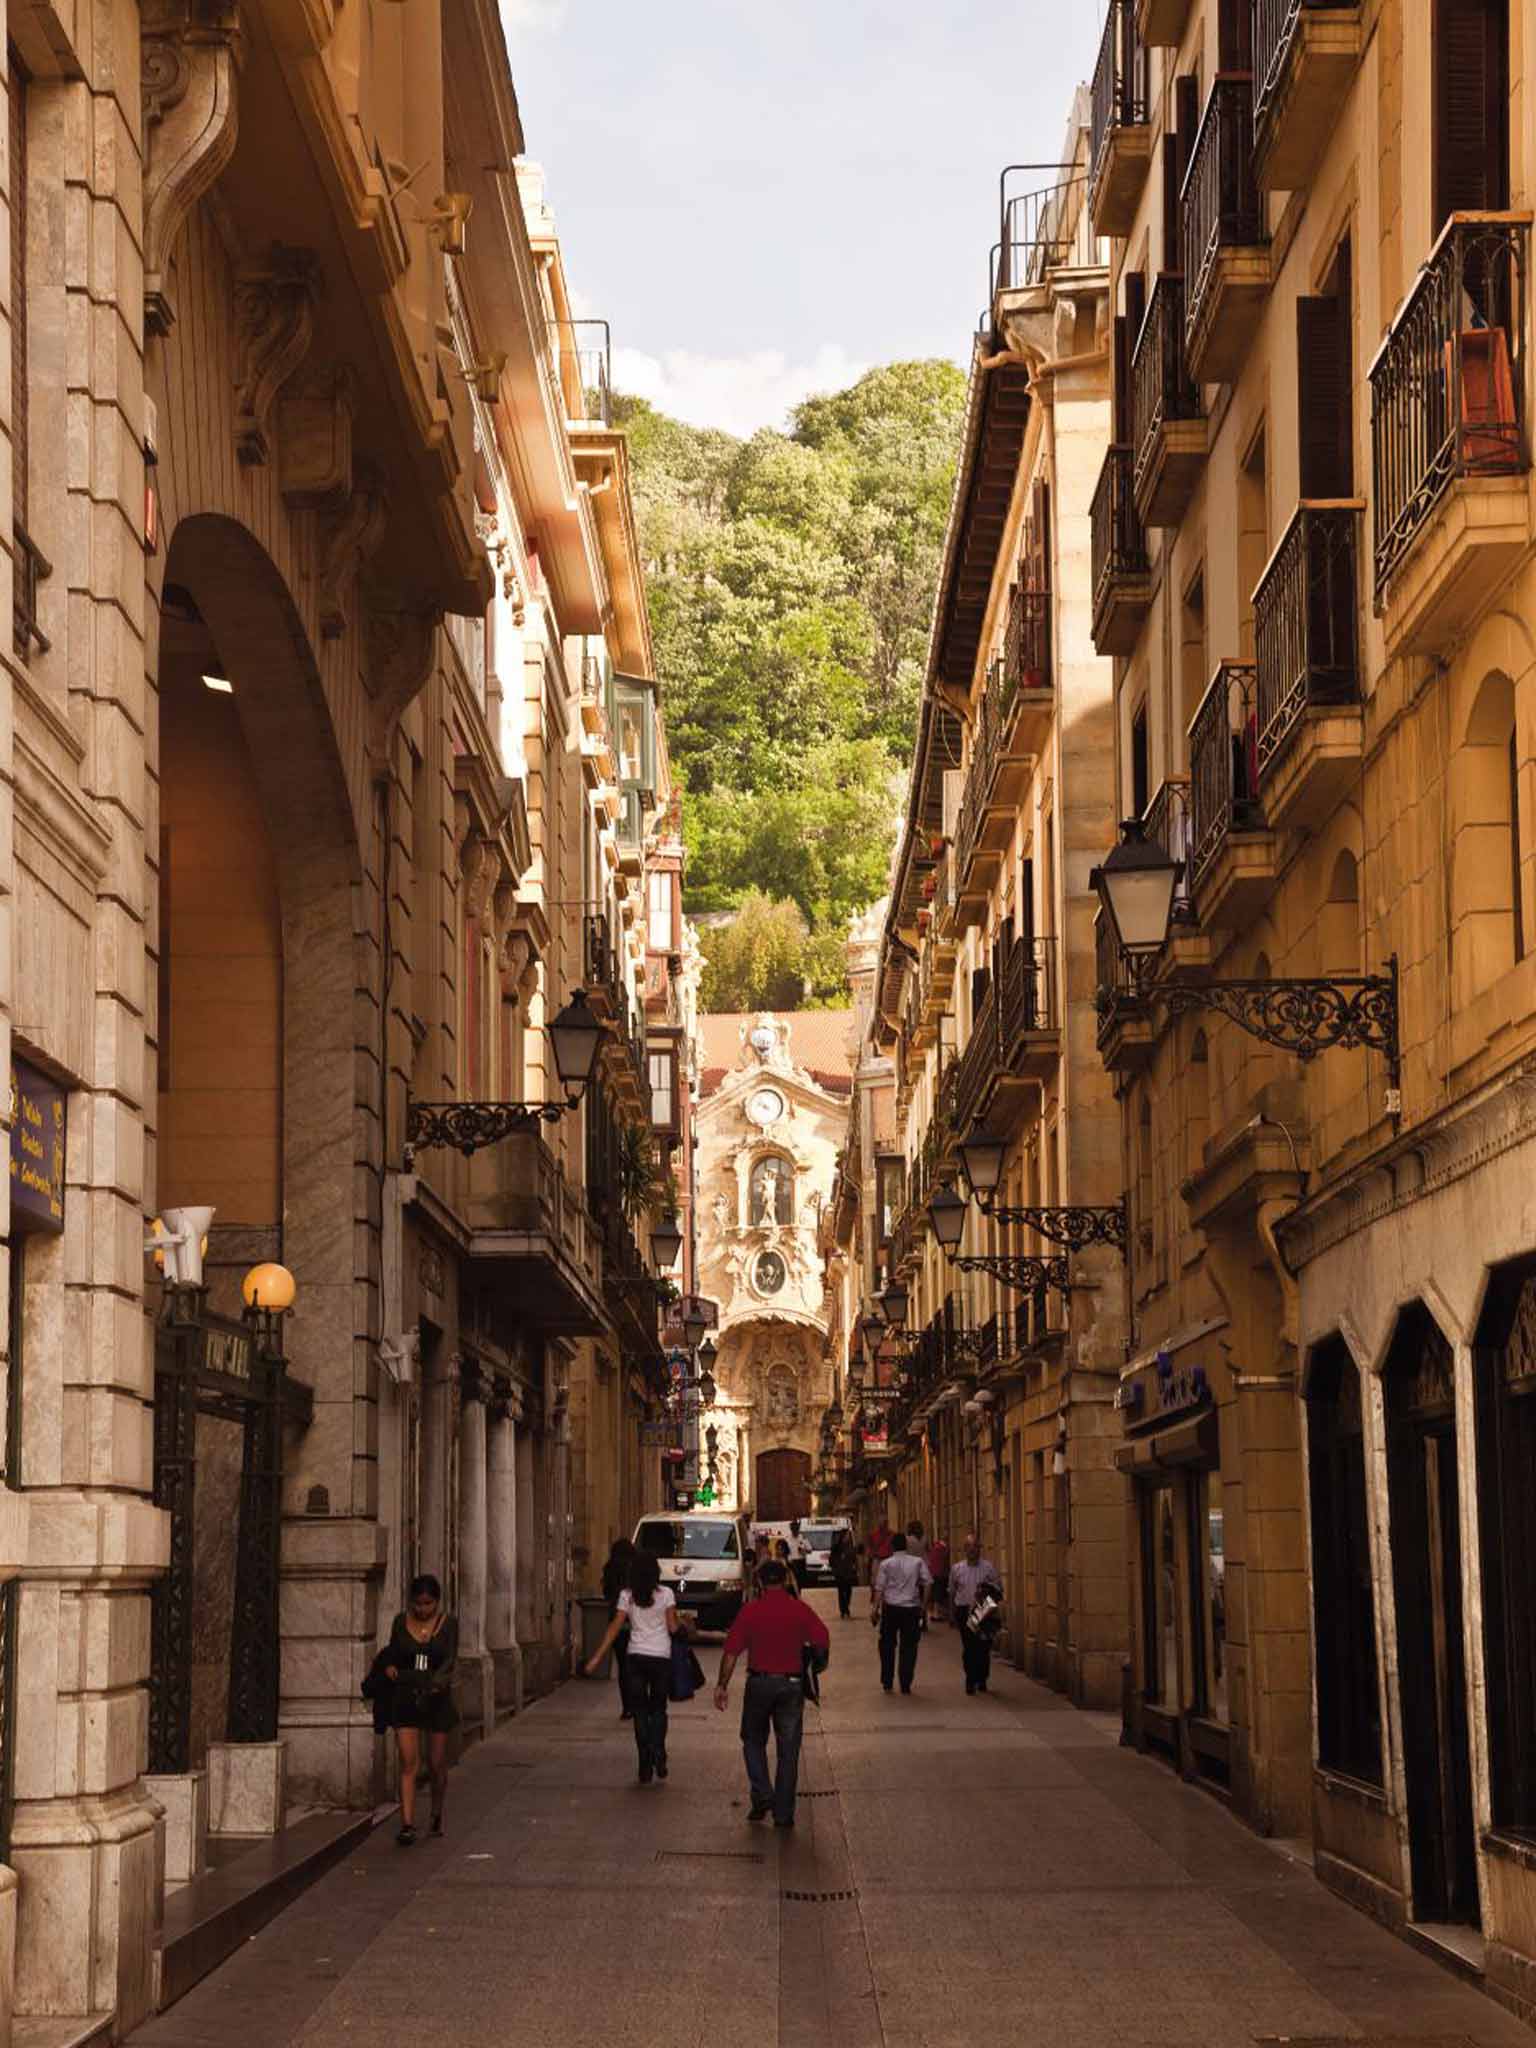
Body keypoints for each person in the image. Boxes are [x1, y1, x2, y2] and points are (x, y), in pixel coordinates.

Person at [714, 1559, 830, 1827]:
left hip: (759, 1683)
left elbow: (731, 1651)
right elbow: (822, 1638)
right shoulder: (799, 1609)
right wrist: (814, 1664)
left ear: (760, 1582)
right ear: (786, 1580)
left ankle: (763, 1792)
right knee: (788, 1750)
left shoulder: (751, 1611)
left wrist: (722, 1685)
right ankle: (783, 1813)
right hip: (791, 1684)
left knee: (752, 1740)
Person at [586, 1550, 681, 1783]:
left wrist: (596, 1658)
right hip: (660, 1657)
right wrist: (682, 1623)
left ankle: (644, 1766)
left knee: (639, 1712)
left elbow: (615, 1628)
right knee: (658, 1709)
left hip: (636, 1657)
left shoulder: (626, 1596)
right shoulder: (666, 1594)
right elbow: (672, 1629)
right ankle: (659, 1751)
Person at [383, 1573, 459, 1845]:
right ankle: (407, 1824)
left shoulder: (448, 1625)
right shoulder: (399, 1623)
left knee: (437, 1763)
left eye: (428, 1604)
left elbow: (449, 1660)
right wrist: (390, 1667)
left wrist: (437, 1685)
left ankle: (436, 1813)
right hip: (405, 1697)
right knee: (408, 1762)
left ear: (437, 1602)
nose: (422, 1609)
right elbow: (393, 1652)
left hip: (436, 1700)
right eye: (418, 1603)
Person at [871, 1530, 931, 1695]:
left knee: (887, 1646)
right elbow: (928, 1583)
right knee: (909, 1647)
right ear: (906, 1546)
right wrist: (923, 1607)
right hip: (911, 1610)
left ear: (892, 1546)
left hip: (890, 1609)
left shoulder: (886, 1564)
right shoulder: (917, 1562)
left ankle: (887, 1681)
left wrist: (875, 1610)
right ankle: (905, 1683)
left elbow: (879, 1588)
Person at [950, 1533, 1004, 1695]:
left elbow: (999, 1589)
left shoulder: (988, 1568)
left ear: (979, 1549)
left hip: (983, 1610)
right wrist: (952, 1612)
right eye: (970, 1547)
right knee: (969, 1646)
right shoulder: (957, 1569)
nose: (973, 1550)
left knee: (983, 1647)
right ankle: (970, 1679)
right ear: (965, 1549)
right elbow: (952, 1592)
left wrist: (991, 1602)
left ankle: (982, 1677)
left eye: (976, 1547)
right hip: (964, 1610)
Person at [600, 1536, 636, 1720]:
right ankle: (637, 1703)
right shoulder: (636, 1571)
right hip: (635, 1624)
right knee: (636, 1666)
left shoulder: (609, 1569)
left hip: (617, 1624)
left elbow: (606, 1593)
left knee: (623, 1666)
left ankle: (627, 1706)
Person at [830, 1530, 859, 1619]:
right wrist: (835, 1567)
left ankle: (846, 1607)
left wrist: (855, 1566)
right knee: (841, 1592)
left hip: (848, 1573)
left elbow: (854, 1558)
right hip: (840, 1573)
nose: (848, 1537)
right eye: (846, 1535)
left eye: (848, 1536)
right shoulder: (837, 1548)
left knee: (849, 1591)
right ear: (842, 1537)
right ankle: (844, 1610)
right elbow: (831, 1560)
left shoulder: (850, 1547)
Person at [927, 1533, 952, 1621]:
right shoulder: (943, 1548)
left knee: (936, 1594)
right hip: (941, 1574)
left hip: (934, 1573)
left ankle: (935, 1612)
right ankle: (937, 1614)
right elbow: (943, 1563)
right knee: (938, 1594)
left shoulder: (935, 1547)